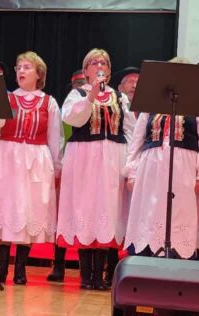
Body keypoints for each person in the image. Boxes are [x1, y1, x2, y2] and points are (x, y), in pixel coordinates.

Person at [57, 48, 136, 290]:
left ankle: (101, 276)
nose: (99, 65)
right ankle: (86, 276)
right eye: (94, 62)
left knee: (107, 209)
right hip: (83, 158)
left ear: (109, 71)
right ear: (86, 70)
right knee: (85, 207)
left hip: (112, 158)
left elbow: (130, 132)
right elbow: (73, 119)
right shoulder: (77, 95)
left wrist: (130, 166)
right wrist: (91, 95)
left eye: (104, 62)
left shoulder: (120, 98)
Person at [0, 52, 62, 285]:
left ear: (39, 74)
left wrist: (56, 167)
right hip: (7, 156)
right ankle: (1, 268)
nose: (21, 71)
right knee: (4, 208)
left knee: (29, 210)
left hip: (36, 159)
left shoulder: (49, 102)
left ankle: (20, 269)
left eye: (27, 67)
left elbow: (55, 138)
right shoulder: (6, 98)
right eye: (18, 68)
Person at [124, 57, 199, 259]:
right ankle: (149, 256)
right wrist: (132, 172)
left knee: (180, 211)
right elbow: (137, 140)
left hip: (183, 166)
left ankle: (178, 257)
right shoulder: (151, 104)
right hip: (151, 165)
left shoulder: (198, 104)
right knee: (150, 210)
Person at [47, 70, 89, 283]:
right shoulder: (66, 109)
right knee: (62, 215)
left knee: (86, 213)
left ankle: (86, 267)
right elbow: (58, 140)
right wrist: (58, 166)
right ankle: (58, 264)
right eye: (77, 83)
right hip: (66, 165)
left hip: (87, 167)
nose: (81, 86)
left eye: (83, 82)